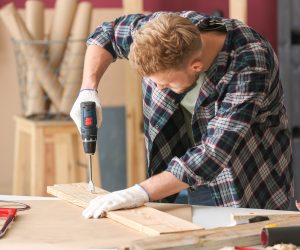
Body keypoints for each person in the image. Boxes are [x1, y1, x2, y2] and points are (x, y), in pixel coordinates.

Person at [70, 11, 293, 219]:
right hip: (181, 169)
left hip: (246, 180)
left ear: (196, 66)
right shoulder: (160, 32)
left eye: (165, 84)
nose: (159, 89)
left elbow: (212, 155)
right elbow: (106, 34)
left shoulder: (250, 63)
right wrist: (88, 89)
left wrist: (137, 192)